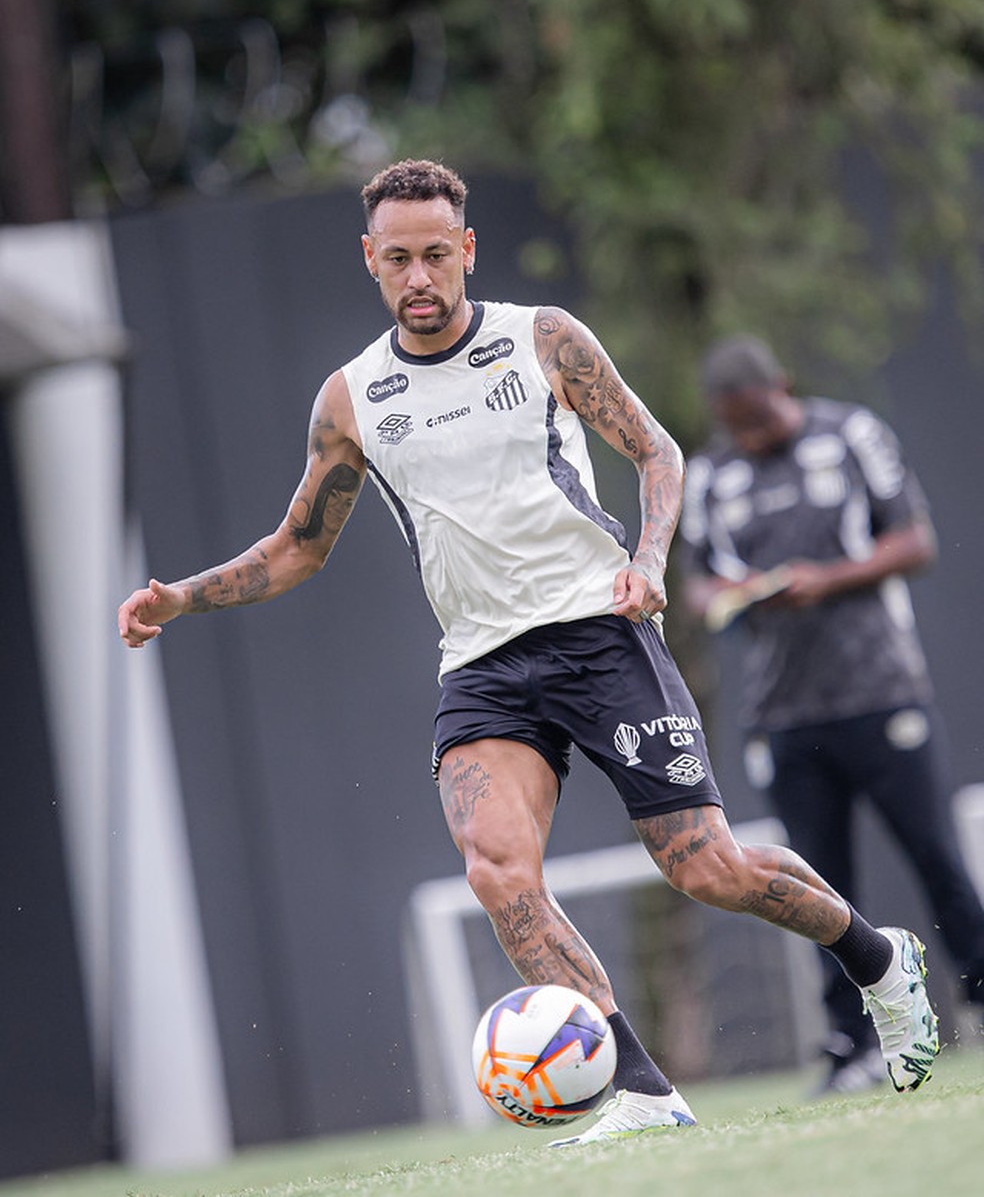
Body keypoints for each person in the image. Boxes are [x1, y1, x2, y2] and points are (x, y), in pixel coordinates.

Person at [118, 161, 939, 1144]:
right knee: (496, 869)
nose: (418, 277)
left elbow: (658, 451)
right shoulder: (352, 399)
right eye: (397, 259)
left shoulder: (540, 338)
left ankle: (880, 961)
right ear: (370, 262)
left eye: (434, 254)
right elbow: (299, 546)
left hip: (599, 633)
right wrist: (180, 599)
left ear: (464, 250)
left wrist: (648, 560)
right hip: (481, 667)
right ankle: (640, 1089)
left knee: (707, 870)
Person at [677, 333, 984, 1096]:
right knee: (818, 889)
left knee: (938, 858)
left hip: (881, 692)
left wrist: (829, 579)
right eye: (735, 424)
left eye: (760, 418)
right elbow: (697, 586)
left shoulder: (850, 434)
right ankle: (853, 1045)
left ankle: (979, 997)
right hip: (783, 715)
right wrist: (737, 595)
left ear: (781, 384)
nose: (751, 435)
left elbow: (915, 540)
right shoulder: (710, 474)